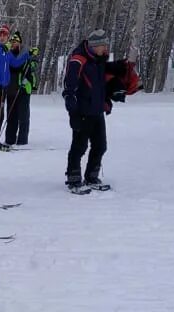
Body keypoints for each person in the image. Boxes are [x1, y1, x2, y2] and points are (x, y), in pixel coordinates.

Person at [63, 30, 110, 193]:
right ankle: (74, 178)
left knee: (101, 145)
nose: (106, 48)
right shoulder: (78, 59)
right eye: (103, 45)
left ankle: (91, 176)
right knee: (79, 146)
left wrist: (106, 101)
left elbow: (101, 85)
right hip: (82, 111)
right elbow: (69, 89)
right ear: (95, 45)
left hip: (96, 111)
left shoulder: (100, 60)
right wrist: (73, 112)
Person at [7, 43, 39, 146]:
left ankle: (22, 140)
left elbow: (34, 67)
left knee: (23, 116)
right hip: (12, 90)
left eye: (17, 42)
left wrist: (32, 61)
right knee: (12, 116)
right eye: (13, 42)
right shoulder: (10, 55)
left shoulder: (26, 55)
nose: (15, 44)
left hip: (24, 90)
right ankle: (10, 139)